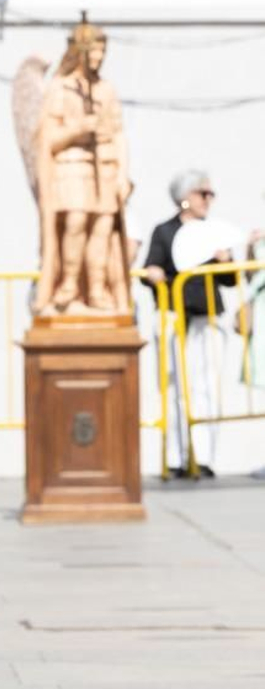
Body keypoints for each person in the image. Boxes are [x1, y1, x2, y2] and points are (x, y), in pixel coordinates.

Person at [143, 170, 238, 478]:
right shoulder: (165, 231)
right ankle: (177, 456)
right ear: (186, 197)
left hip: (207, 316)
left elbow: (231, 279)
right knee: (174, 386)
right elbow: (152, 267)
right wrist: (154, 273)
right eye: (203, 193)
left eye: (210, 194)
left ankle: (205, 455)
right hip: (174, 315)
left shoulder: (214, 233)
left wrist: (225, 261)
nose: (208, 199)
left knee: (206, 385)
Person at [34, 17, 132, 316]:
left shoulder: (106, 90)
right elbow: (47, 139)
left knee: (102, 229)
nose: (98, 59)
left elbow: (118, 134)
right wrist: (76, 130)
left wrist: (123, 175)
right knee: (75, 222)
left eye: (103, 52)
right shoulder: (60, 88)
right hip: (71, 164)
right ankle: (68, 285)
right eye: (94, 52)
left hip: (105, 166)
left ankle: (98, 289)